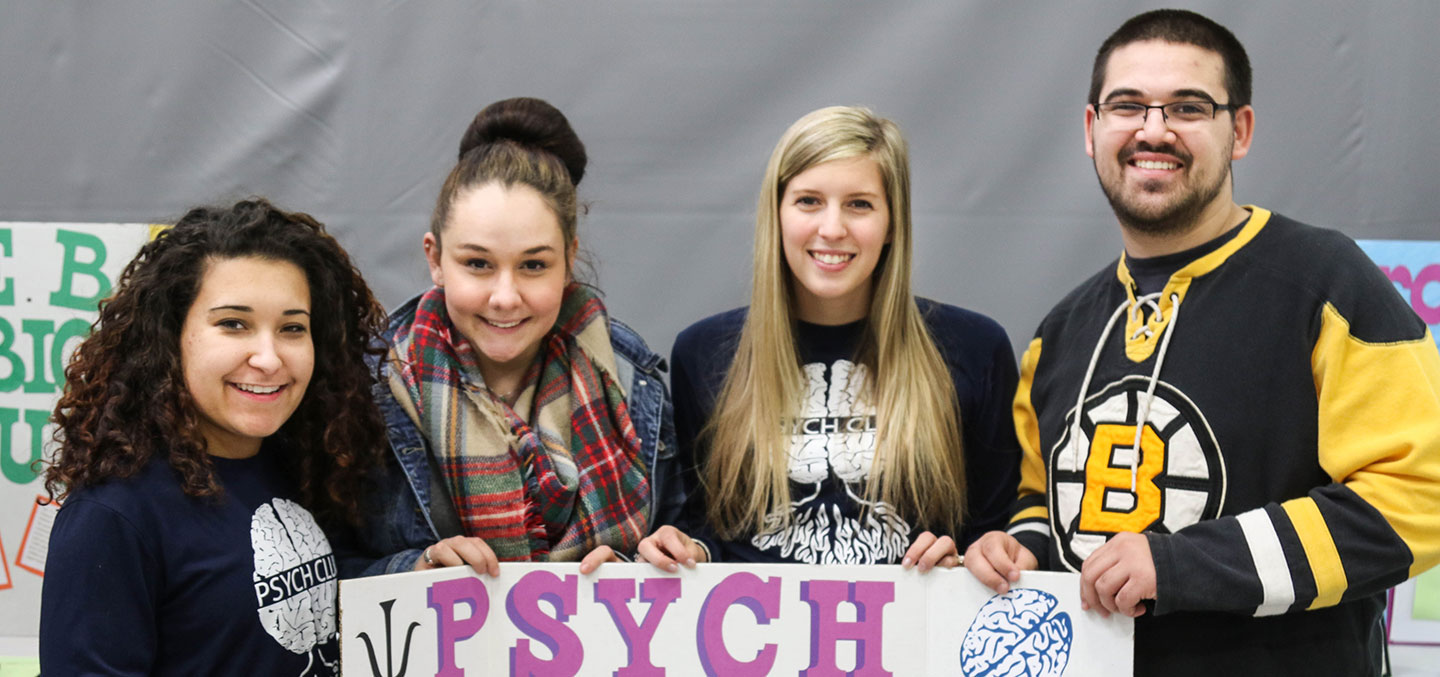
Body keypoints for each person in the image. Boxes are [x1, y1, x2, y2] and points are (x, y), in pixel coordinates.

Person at [963, 9, 1440, 676]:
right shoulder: (1060, 332)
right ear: (1091, 128)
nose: (1153, 130)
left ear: (1238, 130)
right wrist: (1019, 550)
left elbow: (1420, 496)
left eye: (1188, 107)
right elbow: (1041, 502)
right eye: (1127, 105)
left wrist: (1180, 564)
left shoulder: (1326, 284)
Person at [640, 106, 1020, 570]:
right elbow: (705, 527)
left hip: (914, 634)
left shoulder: (974, 349)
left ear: (892, 223)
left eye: (860, 204)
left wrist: (971, 557)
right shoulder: (704, 354)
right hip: (753, 635)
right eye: (808, 201)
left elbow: (995, 530)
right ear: (776, 214)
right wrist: (684, 548)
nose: (833, 229)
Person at [39, 199, 388, 676]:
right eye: (233, 324)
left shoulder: (307, 465)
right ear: (169, 335)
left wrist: (416, 574)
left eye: (292, 328)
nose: (268, 358)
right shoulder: (114, 516)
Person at [343, 97, 677, 578]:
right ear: (435, 258)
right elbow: (320, 576)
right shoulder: (370, 389)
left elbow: (687, 535)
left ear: (569, 260)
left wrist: (649, 565)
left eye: (534, 265)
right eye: (477, 264)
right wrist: (416, 569)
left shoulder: (632, 377)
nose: (505, 297)